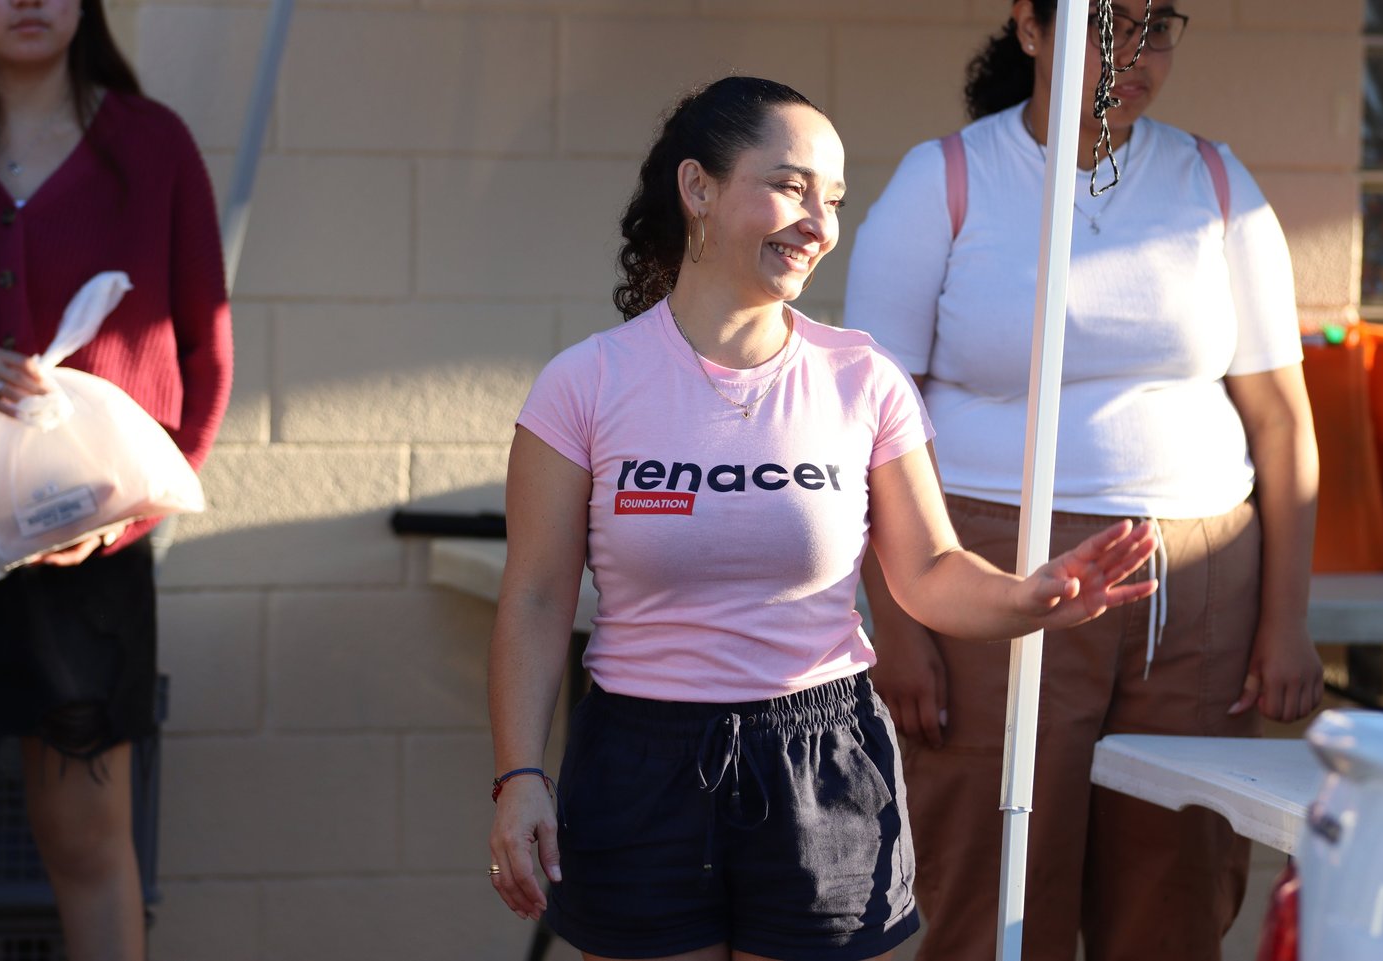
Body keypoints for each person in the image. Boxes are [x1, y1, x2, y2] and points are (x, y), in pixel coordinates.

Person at [487, 75, 1159, 961]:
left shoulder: (862, 377)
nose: (819, 221)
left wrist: (1028, 596)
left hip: (823, 756)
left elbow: (927, 571)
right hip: (638, 761)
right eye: (792, 185)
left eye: (833, 199)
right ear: (699, 188)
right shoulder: (584, 382)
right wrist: (519, 775)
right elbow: (535, 597)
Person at [842, 3, 1323, 960]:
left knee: (1179, 884)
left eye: (1158, 28)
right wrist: (896, 630)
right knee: (999, 875)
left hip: (1200, 577)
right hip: (994, 565)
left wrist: (1284, 621)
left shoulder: (1217, 182)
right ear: (1031, 27)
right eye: (1104, 25)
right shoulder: (947, 180)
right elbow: (865, 420)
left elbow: (1282, 420)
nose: (1132, 57)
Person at [0, 0, 232, 957]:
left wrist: (123, 520)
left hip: (84, 531)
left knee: (85, 836)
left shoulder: (151, 147)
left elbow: (204, 353)